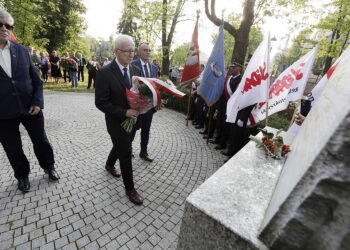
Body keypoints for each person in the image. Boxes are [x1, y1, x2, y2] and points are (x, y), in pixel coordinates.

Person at [0, 9, 59, 192]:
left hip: (30, 107)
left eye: (8, 26)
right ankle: (22, 176)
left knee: (41, 140)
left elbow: (36, 80)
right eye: (0, 25)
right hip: (3, 112)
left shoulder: (22, 50)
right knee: (13, 148)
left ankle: (49, 167)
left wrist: (37, 102)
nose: (4, 29)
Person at [95, 34, 143, 205]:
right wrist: (124, 112)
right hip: (116, 123)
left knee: (122, 146)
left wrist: (151, 104)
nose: (131, 55)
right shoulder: (104, 73)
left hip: (134, 122)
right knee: (125, 153)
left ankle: (109, 165)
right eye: (126, 51)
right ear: (116, 51)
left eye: (132, 51)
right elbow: (100, 103)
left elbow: (141, 95)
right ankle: (130, 188)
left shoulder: (136, 71)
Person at [132, 42, 160, 162]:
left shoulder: (154, 68)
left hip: (149, 106)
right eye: (145, 50)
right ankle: (128, 149)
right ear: (138, 52)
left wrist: (158, 101)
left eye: (149, 50)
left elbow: (156, 87)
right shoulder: (132, 65)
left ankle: (143, 152)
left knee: (146, 130)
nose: (148, 52)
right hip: (135, 105)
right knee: (132, 129)